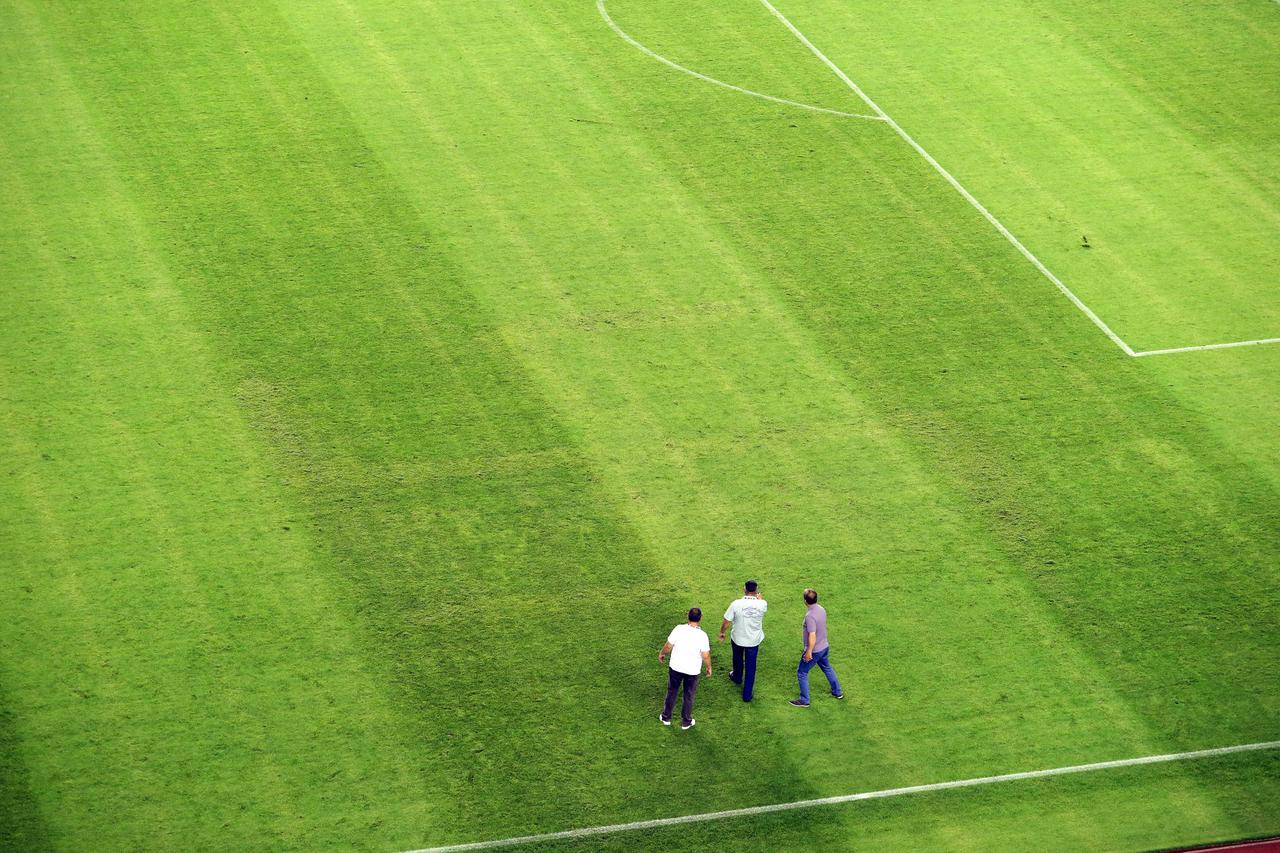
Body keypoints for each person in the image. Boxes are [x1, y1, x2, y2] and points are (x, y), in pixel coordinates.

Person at [659, 607, 712, 730]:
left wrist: (662, 653)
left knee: (672, 690)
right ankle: (686, 721)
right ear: (700, 619)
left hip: (676, 667)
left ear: (688, 616)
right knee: (689, 694)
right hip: (692, 671)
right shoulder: (702, 635)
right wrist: (709, 667)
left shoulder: (679, 629)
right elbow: (705, 655)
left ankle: (666, 717)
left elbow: (668, 646)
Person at [789, 588, 843, 707]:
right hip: (824, 646)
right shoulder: (821, 609)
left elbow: (812, 635)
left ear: (805, 601)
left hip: (815, 650)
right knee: (827, 667)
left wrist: (809, 652)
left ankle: (804, 700)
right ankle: (837, 692)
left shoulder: (810, 616)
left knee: (802, 672)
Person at [719, 580, 767, 702]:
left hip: (738, 638)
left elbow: (726, 621)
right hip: (753, 640)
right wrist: (760, 599)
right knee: (751, 667)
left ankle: (737, 676)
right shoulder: (762, 604)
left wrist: (722, 632)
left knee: (737, 658)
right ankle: (747, 695)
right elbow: (762, 605)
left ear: (744, 589)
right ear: (756, 591)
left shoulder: (736, 604)